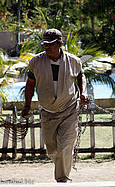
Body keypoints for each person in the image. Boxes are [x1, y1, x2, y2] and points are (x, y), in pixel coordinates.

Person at [21, 28, 87, 183]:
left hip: (69, 110)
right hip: (47, 112)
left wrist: (82, 93)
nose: (47, 47)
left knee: (65, 146)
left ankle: (63, 179)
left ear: (59, 43)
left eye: (51, 44)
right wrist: (27, 105)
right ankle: (62, 172)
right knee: (52, 150)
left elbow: (81, 76)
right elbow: (30, 84)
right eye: (45, 44)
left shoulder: (73, 61)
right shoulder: (35, 62)